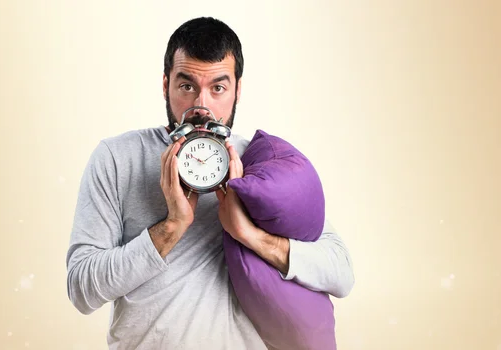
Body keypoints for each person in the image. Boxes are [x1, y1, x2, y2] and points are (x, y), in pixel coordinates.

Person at [66, 16, 355, 350]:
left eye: (217, 87)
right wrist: (172, 226)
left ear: (237, 90)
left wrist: (248, 233)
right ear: (165, 85)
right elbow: (81, 290)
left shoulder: (260, 162)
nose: (201, 106)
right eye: (187, 86)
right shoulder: (117, 158)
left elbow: (341, 272)